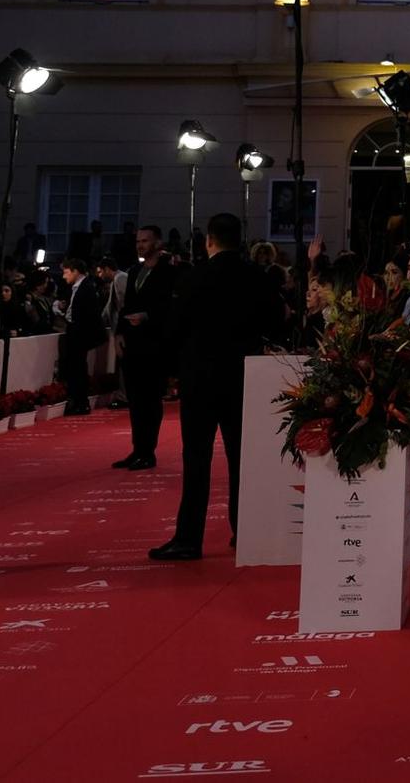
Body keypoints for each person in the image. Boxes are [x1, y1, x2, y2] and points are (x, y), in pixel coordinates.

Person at [151, 214, 281, 561]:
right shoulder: (257, 277)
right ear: (239, 240)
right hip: (243, 377)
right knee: (242, 458)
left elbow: (174, 327)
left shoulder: (195, 277)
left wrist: (171, 370)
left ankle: (189, 538)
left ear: (209, 240)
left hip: (200, 379)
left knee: (197, 459)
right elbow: (276, 321)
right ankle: (246, 529)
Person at [115, 225, 181, 469]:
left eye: (145, 241)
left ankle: (148, 451)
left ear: (157, 243)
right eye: (138, 241)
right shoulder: (134, 271)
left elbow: (172, 308)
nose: (140, 245)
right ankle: (137, 449)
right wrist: (119, 332)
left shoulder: (169, 272)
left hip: (154, 345)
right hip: (132, 342)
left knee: (150, 400)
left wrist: (147, 316)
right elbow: (126, 305)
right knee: (135, 399)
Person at [57, 256, 104, 415]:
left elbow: (89, 314)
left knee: (78, 369)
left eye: (66, 272)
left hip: (80, 334)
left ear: (75, 271)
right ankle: (78, 401)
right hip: (75, 331)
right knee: (76, 368)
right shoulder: (78, 287)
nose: (64, 276)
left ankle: (81, 402)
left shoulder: (86, 287)